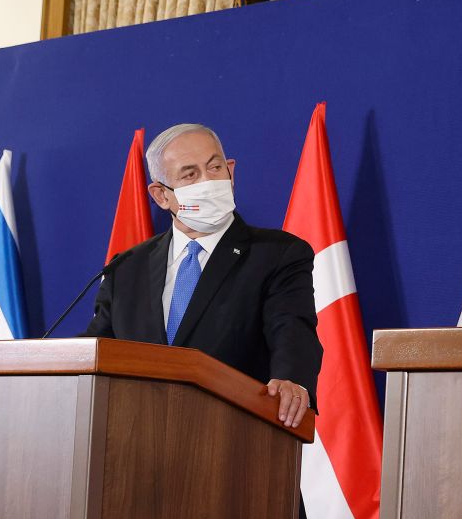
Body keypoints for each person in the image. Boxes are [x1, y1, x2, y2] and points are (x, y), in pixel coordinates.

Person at [83, 123, 320, 426]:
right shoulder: (127, 268)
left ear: (231, 172)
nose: (208, 182)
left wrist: (291, 380)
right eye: (190, 175)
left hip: (235, 432)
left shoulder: (278, 254)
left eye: (215, 168)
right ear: (161, 195)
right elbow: (97, 350)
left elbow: (291, 328)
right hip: (136, 430)